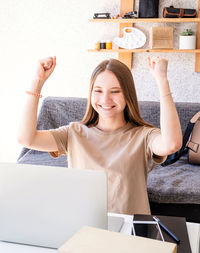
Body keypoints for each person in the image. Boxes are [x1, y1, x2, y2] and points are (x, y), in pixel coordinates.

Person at [17, 56, 182, 215]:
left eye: (115, 91)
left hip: (129, 234)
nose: (105, 99)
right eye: (98, 91)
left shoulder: (143, 136)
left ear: (128, 94)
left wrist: (162, 81)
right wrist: (37, 81)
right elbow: (26, 138)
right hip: (84, 227)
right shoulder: (73, 133)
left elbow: (172, 143)